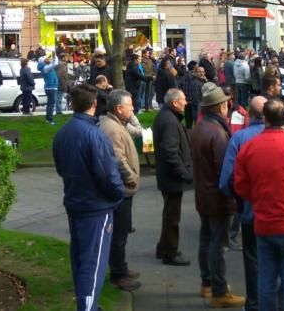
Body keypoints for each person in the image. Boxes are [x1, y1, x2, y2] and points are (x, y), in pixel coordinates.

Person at [53, 84, 125, 311]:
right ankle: (87, 306)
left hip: (76, 202)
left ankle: (88, 303)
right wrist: (118, 193)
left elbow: (61, 167)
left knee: (81, 259)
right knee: (92, 264)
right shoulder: (94, 135)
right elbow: (108, 175)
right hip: (96, 207)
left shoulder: (63, 133)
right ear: (94, 104)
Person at [234, 99, 284, 311]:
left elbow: (240, 185)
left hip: (263, 222)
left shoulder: (249, 147)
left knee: (266, 276)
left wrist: (258, 198)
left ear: (264, 118)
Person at [191, 84, 246, 308]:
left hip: (203, 194)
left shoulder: (200, 127)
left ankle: (208, 283)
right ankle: (219, 290)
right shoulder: (217, 133)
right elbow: (226, 169)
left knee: (207, 240)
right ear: (221, 106)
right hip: (217, 197)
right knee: (218, 244)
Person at [219, 96, 268, 310]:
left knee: (253, 260)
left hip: (251, 212)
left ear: (249, 112)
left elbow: (226, 180)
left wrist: (240, 199)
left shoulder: (239, 139)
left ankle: (255, 303)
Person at [98, 89, 143, 292]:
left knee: (122, 232)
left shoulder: (115, 123)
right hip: (122, 189)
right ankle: (118, 274)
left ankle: (121, 268)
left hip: (123, 188)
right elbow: (117, 159)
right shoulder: (113, 128)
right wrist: (132, 178)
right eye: (130, 105)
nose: (133, 109)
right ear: (119, 108)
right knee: (119, 234)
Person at [153, 88, 193, 266]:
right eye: (183, 100)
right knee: (172, 217)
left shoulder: (167, 117)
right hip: (172, 177)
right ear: (175, 103)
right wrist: (184, 172)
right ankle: (170, 252)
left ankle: (164, 247)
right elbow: (169, 151)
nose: (186, 102)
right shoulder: (170, 121)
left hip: (168, 176)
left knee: (169, 213)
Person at [38, 54, 60, 125]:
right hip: (51, 87)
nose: (48, 59)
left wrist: (53, 57)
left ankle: (48, 119)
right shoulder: (46, 68)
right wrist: (55, 56)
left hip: (50, 87)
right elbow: (55, 63)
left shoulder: (45, 66)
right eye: (46, 59)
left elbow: (53, 63)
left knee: (50, 104)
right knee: (51, 104)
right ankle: (50, 119)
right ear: (43, 61)